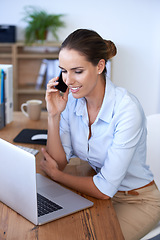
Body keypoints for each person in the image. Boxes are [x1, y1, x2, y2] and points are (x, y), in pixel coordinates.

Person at [40, 29, 160, 240]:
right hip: (97, 192)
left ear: (100, 66)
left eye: (77, 71)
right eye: (64, 71)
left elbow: (103, 188)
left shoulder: (126, 109)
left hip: (136, 200)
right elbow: (58, 162)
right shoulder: (73, 101)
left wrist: (57, 176)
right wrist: (53, 115)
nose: (68, 80)